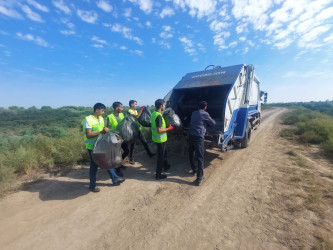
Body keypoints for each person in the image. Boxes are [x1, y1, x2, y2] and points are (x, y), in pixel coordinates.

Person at [82, 103, 125, 193]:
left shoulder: (101, 119)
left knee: (107, 162)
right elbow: (89, 135)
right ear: (97, 110)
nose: (103, 112)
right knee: (94, 166)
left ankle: (115, 180)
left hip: (101, 145)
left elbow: (102, 132)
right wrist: (101, 131)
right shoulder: (88, 120)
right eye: (102, 110)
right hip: (92, 147)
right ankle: (92, 185)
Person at [188, 101, 216, 186]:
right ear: (205, 107)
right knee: (200, 157)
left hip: (191, 136)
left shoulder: (193, 113)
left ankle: (194, 169)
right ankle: (199, 178)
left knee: (191, 153)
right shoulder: (205, 114)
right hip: (199, 137)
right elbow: (213, 123)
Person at [151, 99, 174, 180]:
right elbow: (159, 130)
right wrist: (169, 128)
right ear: (161, 106)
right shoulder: (158, 116)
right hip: (160, 139)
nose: (164, 106)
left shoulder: (154, 113)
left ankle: (166, 166)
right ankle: (158, 174)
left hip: (156, 139)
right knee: (160, 157)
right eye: (164, 105)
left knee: (164, 153)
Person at [127, 100, 155, 164]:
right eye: (135, 104)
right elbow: (137, 117)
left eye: (136, 104)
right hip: (133, 130)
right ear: (131, 104)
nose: (136, 105)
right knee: (132, 145)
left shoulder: (135, 111)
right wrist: (142, 110)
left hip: (138, 128)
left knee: (144, 142)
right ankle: (131, 159)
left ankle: (150, 154)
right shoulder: (129, 111)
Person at [106, 101, 128, 177]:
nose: (122, 108)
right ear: (116, 108)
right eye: (121, 107)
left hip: (121, 137)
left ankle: (119, 163)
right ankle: (117, 170)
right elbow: (107, 129)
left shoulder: (121, 114)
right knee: (116, 155)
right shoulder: (110, 117)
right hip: (114, 138)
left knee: (127, 150)